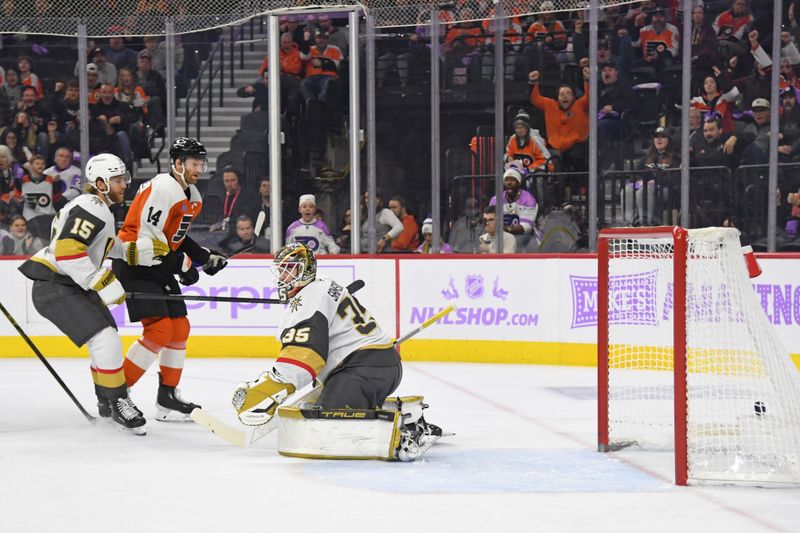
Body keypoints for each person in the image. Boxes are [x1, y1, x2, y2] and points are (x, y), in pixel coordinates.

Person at [232, 242, 441, 460]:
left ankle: (403, 438)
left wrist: (266, 390)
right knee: (322, 412)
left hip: (363, 371)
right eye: (281, 269)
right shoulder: (323, 287)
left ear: (306, 270)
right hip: (379, 367)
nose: (283, 276)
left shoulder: (310, 298)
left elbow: (305, 356)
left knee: (323, 429)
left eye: (290, 268)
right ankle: (410, 416)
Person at [17, 153, 147, 433]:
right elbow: (67, 251)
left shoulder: (98, 206)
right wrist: (101, 280)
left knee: (106, 336)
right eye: (117, 179)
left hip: (67, 285)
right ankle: (119, 401)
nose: (124, 184)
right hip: (55, 286)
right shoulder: (92, 206)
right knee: (105, 338)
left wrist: (132, 251)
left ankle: (107, 401)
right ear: (100, 183)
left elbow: (97, 245)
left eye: (123, 178)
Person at [113, 137, 228, 421]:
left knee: (179, 327)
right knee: (160, 329)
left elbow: (175, 237)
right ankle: (114, 396)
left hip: (156, 264)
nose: (198, 168)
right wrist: (181, 264)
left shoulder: (190, 195)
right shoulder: (163, 189)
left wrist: (203, 257)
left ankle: (167, 397)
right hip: (135, 262)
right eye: (193, 163)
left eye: (201, 163)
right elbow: (148, 239)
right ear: (177, 164)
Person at [528, 62, 590, 172]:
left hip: (577, 150)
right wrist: (533, 82)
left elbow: (590, 97)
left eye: (568, 93)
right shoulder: (550, 105)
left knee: (577, 160)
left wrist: (587, 80)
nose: (565, 96)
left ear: (573, 97)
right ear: (557, 97)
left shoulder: (580, 105)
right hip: (555, 150)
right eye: (562, 94)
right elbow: (535, 99)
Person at [488, 167, 538, 249]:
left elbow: (526, 227)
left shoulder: (528, 200)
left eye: (512, 180)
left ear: (518, 183)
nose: (509, 183)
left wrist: (507, 229)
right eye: (507, 180)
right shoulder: (496, 199)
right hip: (499, 234)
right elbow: (490, 219)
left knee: (515, 243)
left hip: (521, 235)